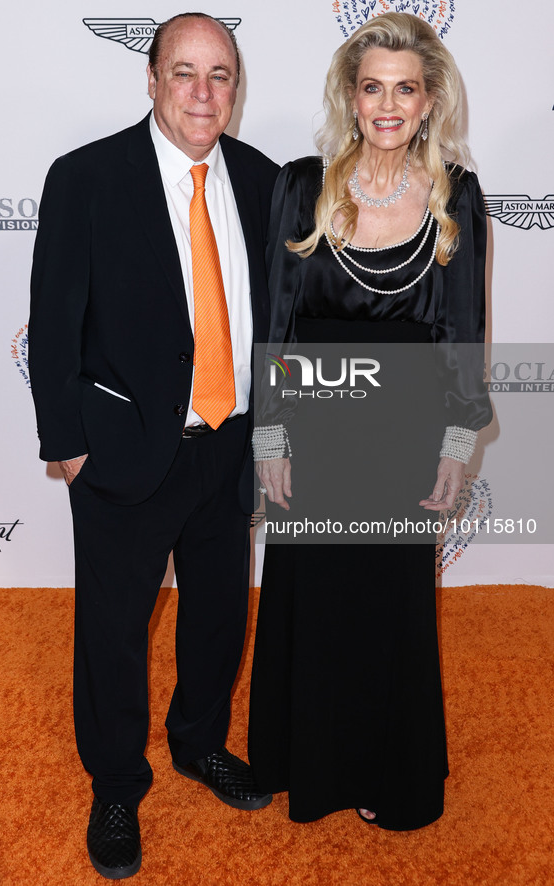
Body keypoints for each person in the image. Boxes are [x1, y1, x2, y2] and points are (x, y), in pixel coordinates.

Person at [29, 12, 279, 880]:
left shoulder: (263, 179)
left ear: (235, 88)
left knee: (217, 612)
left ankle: (198, 743)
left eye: (219, 75)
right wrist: (65, 444)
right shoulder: (87, 178)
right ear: (151, 79)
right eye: (185, 73)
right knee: (112, 627)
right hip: (126, 448)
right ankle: (115, 782)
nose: (203, 93)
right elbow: (54, 325)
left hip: (231, 445)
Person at [248, 12, 492, 831]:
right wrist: (270, 430)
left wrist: (458, 441)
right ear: (351, 98)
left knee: (388, 607)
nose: (387, 105)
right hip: (314, 428)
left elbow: (462, 329)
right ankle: (310, 765)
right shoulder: (300, 185)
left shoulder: (456, 197)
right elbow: (275, 322)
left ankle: (389, 773)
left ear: (427, 102)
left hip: (402, 433)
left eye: (405, 89)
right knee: (312, 596)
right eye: (371, 88)